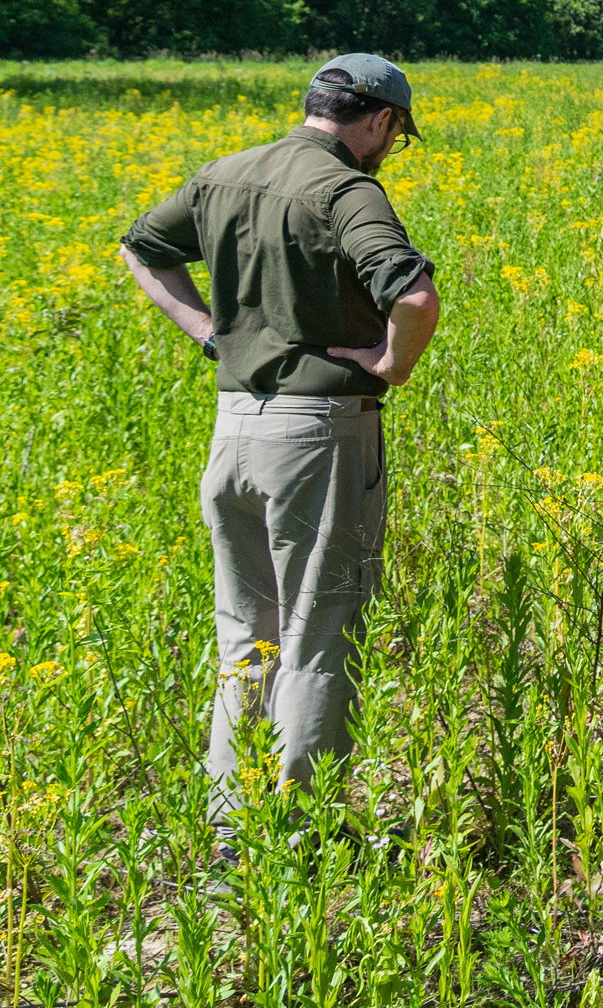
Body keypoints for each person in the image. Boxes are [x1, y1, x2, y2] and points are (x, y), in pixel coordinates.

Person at [119, 55, 440, 826]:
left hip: (233, 432)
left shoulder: (225, 172)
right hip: (318, 438)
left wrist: (211, 334)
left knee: (245, 637)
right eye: (396, 136)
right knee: (319, 630)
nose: (390, 149)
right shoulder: (346, 188)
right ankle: (299, 833)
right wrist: (391, 364)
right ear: (381, 121)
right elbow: (415, 294)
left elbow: (140, 247)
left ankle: (234, 828)